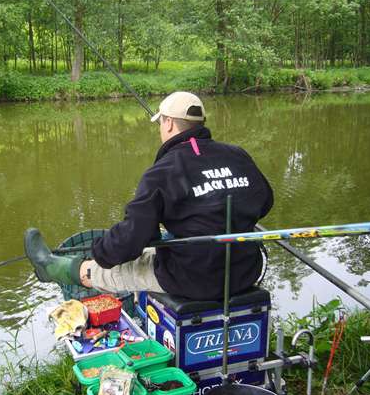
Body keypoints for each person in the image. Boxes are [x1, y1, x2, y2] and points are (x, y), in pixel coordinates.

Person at [24, 92, 273, 301]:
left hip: (191, 279)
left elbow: (131, 240)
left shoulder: (162, 171)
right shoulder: (237, 155)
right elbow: (265, 202)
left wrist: (99, 251)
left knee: (112, 269)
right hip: (245, 270)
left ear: (169, 124)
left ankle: (54, 268)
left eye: (161, 123)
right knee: (164, 244)